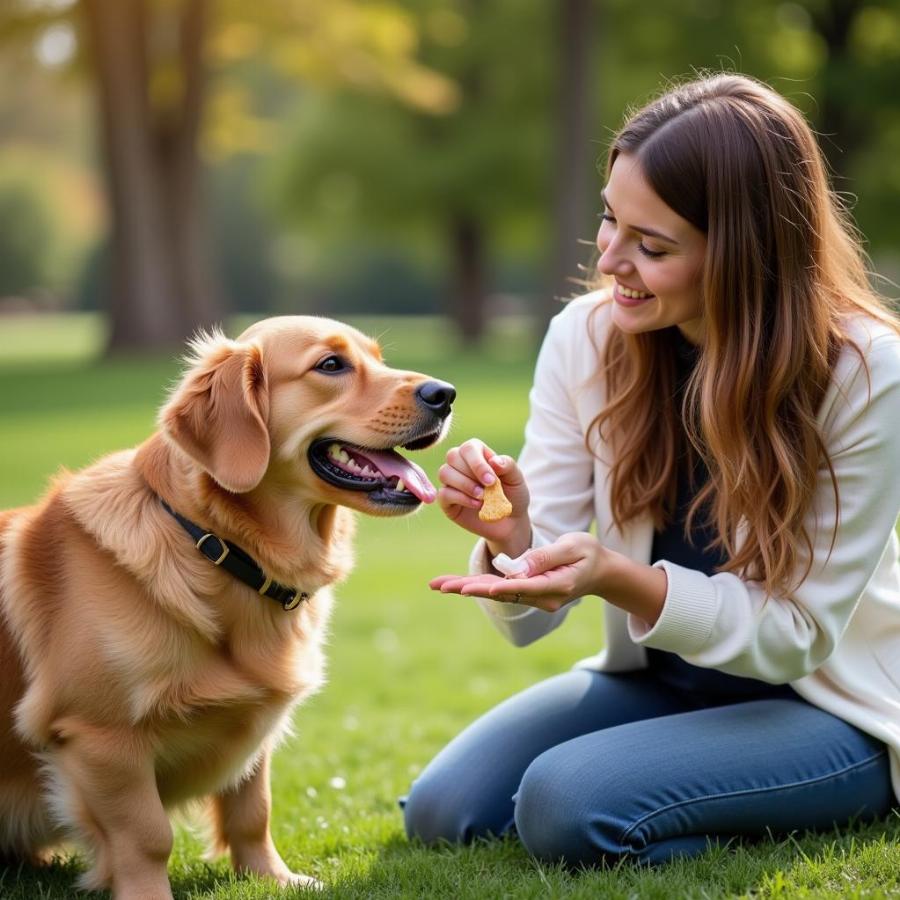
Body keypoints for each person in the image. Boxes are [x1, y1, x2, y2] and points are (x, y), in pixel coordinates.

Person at [402, 72, 900, 867]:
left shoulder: (866, 372)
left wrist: (616, 579)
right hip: (661, 682)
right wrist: (513, 538)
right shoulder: (586, 338)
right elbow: (536, 614)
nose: (610, 260)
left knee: (564, 804)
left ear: (743, 253)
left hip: (826, 706)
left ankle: (802, 803)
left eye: (652, 246)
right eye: (609, 220)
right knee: (445, 809)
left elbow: (797, 636)